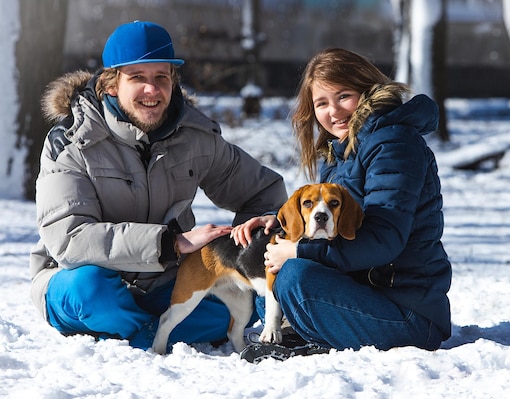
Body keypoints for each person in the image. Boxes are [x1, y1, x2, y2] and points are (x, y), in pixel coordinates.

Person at [30, 21, 287, 350]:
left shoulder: (194, 136)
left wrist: (255, 226)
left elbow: (265, 192)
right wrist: (172, 244)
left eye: (161, 78)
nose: (152, 90)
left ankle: (137, 333)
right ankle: (154, 334)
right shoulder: (69, 142)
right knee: (91, 290)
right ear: (110, 84)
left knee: (240, 304)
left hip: (164, 283)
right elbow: (70, 241)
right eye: (137, 77)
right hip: (81, 281)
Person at [233, 48, 451, 354]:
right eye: (322, 103)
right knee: (266, 256)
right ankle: (306, 328)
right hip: (364, 293)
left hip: (407, 312)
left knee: (295, 274)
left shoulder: (394, 144)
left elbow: (384, 239)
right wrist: (282, 224)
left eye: (343, 96)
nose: (333, 111)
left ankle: (315, 333)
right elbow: (334, 221)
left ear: (367, 90)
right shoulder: (340, 152)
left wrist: (298, 249)